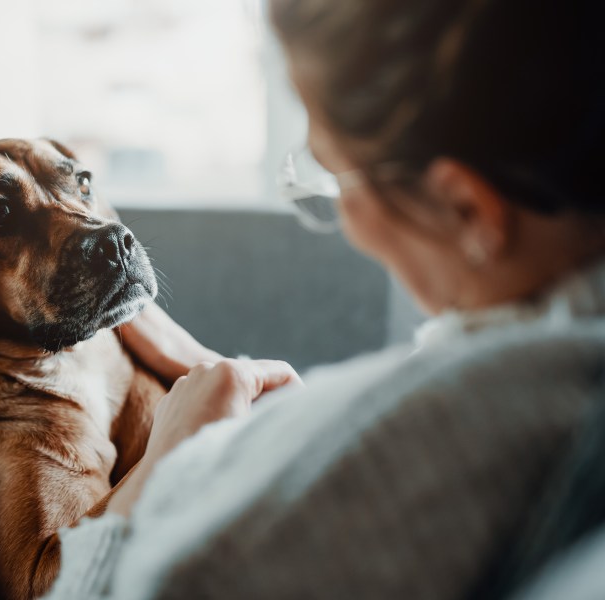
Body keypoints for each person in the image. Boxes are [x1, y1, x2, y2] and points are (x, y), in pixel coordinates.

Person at [42, 0, 605, 598]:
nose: (348, 223)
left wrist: (166, 467)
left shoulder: (464, 426)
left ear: (467, 210)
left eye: (335, 178)